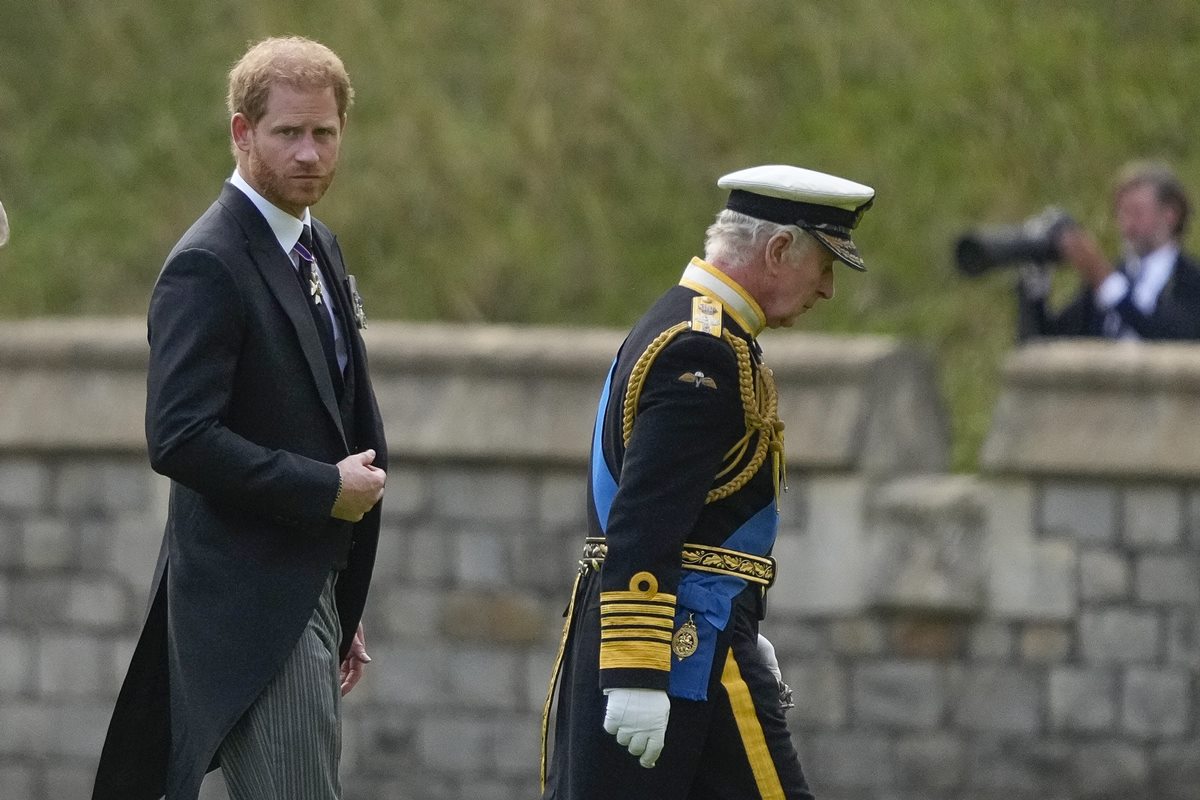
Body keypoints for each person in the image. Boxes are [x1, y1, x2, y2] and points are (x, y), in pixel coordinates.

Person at [92, 36, 388, 800]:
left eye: (324, 133)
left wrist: (333, 587)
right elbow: (180, 437)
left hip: (302, 591)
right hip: (250, 616)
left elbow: (324, 408)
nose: (309, 153)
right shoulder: (209, 262)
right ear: (241, 132)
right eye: (288, 133)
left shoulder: (317, 243)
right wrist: (323, 488)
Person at [541, 164, 875, 800]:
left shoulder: (693, 326)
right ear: (778, 250)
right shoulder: (702, 350)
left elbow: (701, 515)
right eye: (824, 265)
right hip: (680, 650)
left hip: (700, 633)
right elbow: (644, 519)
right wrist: (639, 673)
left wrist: (745, 618)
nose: (827, 288)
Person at [1018, 160, 1200, 340]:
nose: (1128, 225)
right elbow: (1051, 340)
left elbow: (1178, 334)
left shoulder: (1191, 280)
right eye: (1122, 213)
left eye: (1137, 212)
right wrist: (1035, 289)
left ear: (1170, 215)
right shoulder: (1117, 276)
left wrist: (1105, 281)